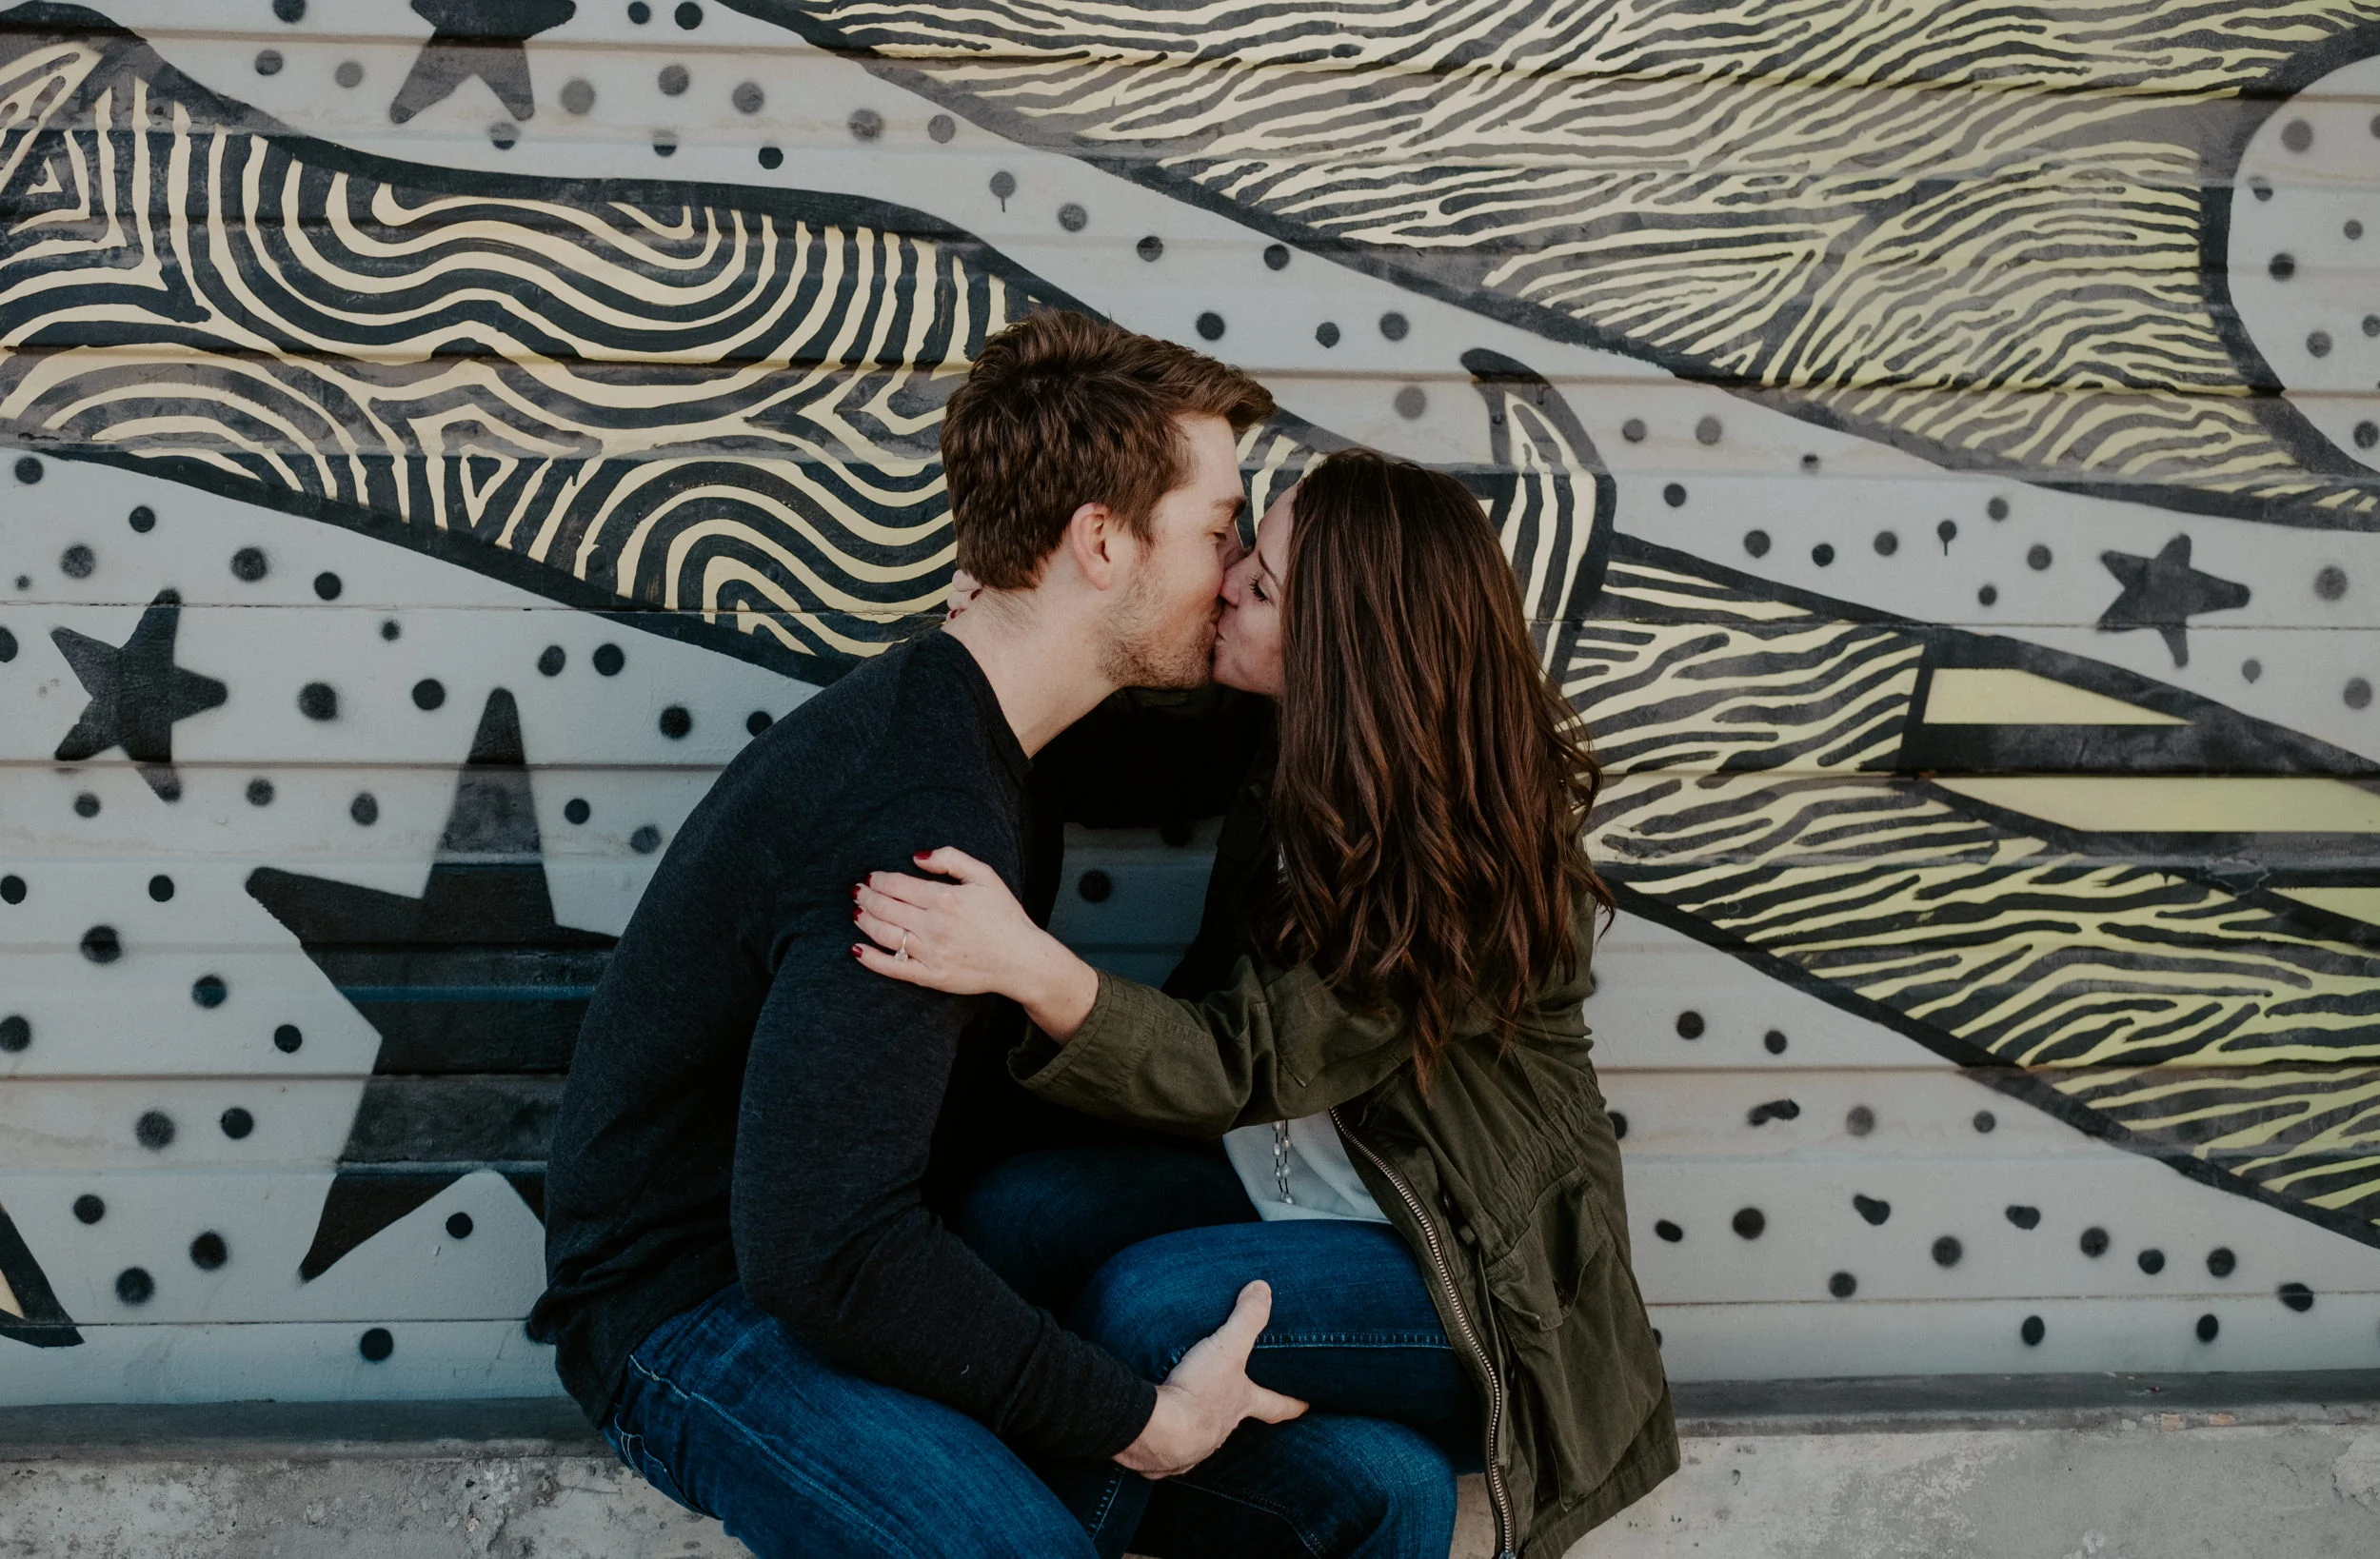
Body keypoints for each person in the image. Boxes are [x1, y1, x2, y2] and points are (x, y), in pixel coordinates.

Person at [529, 310, 1316, 1559]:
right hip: (694, 1316)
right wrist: (1137, 1420)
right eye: (1219, 528)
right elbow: (822, 1251)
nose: (1231, 573)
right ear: (1101, 541)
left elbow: (1229, 737)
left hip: (845, 1264)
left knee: (1368, 1489)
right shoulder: (920, 817)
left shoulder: (981, 723)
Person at [855, 449, 1680, 1559]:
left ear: (1341, 639)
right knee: (1019, 1215)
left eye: (1267, 582)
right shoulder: (1303, 744)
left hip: (1464, 1282)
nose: (1230, 579)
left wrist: (1024, 964)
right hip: (1284, 1194)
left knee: (1150, 1308)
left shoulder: (1471, 857)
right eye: (1245, 548)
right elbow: (1107, 760)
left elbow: (1240, 1063)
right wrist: (1008, 647)